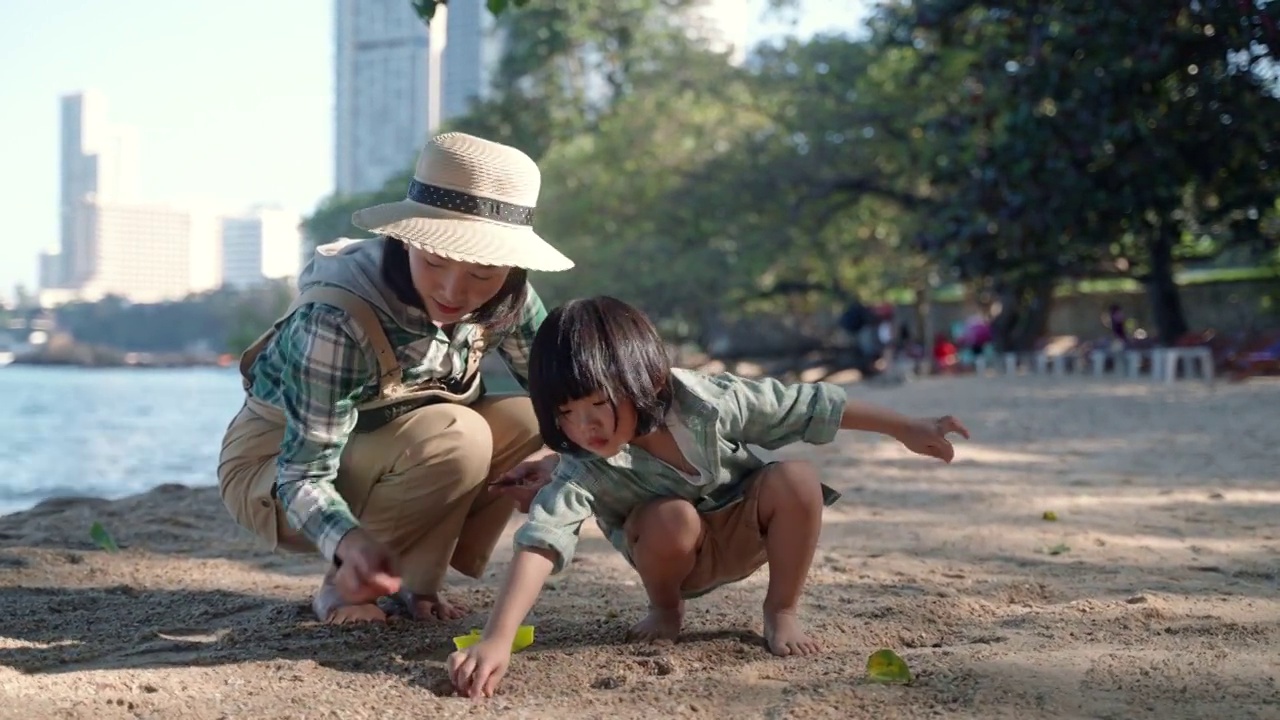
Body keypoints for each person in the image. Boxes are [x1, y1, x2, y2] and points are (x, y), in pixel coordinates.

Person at [447, 296, 970, 699]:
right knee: (672, 516)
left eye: (597, 404)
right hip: (672, 553)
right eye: (564, 414)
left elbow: (807, 406)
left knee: (797, 478)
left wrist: (906, 427)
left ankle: (781, 610)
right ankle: (665, 609)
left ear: (640, 377)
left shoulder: (708, 401)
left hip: (749, 529)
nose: (584, 426)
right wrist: (496, 638)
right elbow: (541, 541)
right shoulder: (583, 465)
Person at [217, 132, 574, 625]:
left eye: (483, 275)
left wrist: (563, 462)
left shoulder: (509, 299)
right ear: (406, 238)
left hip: (407, 448)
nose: (455, 291)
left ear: (511, 267)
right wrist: (350, 543)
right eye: (434, 262)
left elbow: (574, 397)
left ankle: (413, 583)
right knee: (459, 433)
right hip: (275, 470)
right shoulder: (336, 318)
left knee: (538, 414)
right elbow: (302, 473)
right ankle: (345, 586)